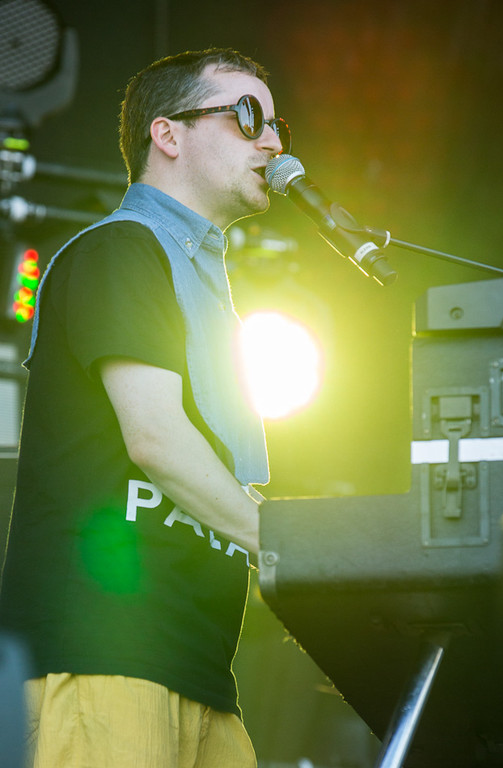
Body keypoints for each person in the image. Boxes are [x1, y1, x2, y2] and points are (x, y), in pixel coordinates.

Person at [0, 47, 292, 767]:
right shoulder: (121, 251)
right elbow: (157, 438)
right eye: (247, 116)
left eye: (277, 124)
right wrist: (296, 546)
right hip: (102, 651)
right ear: (168, 134)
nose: (273, 143)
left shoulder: (205, 283)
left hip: (200, 668)